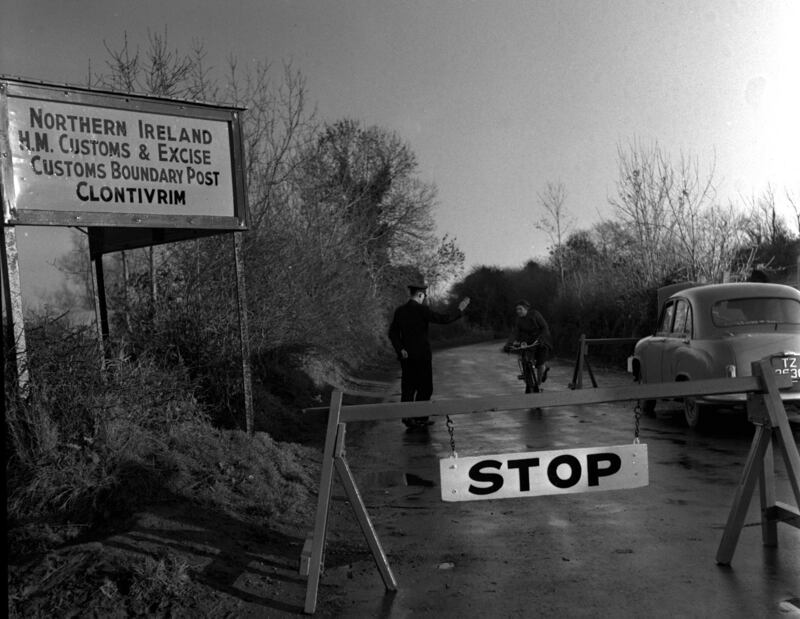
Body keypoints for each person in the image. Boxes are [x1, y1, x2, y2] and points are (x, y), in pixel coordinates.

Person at [388, 282, 470, 428]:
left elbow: (393, 333)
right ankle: (420, 418)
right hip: (422, 355)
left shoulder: (400, 311)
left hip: (406, 356)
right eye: (424, 295)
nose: (424, 298)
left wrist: (400, 349)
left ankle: (407, 418)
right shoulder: (422, 310)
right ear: (420, 294)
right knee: (425, 387)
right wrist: (459, 310)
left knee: (408, 387)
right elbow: (443, 319)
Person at [504, 299, 552, 391]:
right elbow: (515, 333)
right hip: (529, 343)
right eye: (517, 309)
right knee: (525, 361)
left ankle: (538, 382)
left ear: (526, 309)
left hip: (541, 342)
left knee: (540, 364)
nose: (518, 311)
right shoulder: (519, 320)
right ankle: (529, 384)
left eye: (520, 309)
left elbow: (545, 327)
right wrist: (508, 344)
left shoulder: (535, 314)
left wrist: (542, 338)